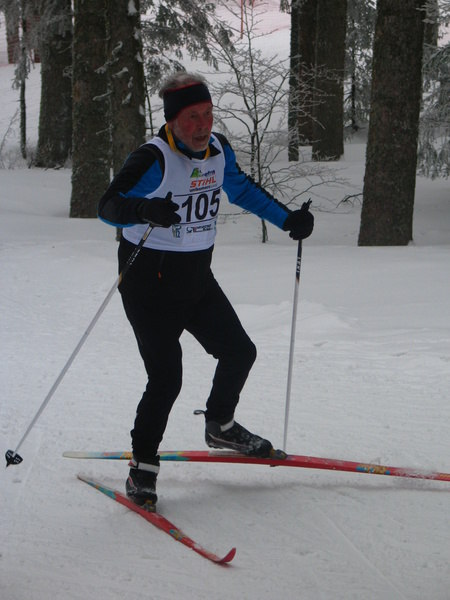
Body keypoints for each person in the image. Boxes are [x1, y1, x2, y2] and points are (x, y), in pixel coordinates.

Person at [98, 72, 314, 507]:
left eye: (208, 114)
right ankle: (142, 469)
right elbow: (108, 207)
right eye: (192, 117)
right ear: (173, 121)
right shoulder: (153, 158)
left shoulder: (218, 150)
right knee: (166, 377)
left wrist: (287, 219)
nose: (202, 125)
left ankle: (220, 425)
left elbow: (241, 190)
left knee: (240, 351)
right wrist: (144, 209)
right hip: (147, 284)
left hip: (195, 278)